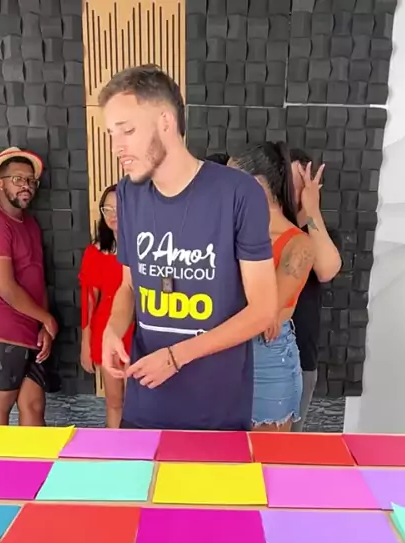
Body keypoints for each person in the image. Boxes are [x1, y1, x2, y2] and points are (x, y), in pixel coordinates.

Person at [99, 64, 280, 431]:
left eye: (128, 131)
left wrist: (176, 357)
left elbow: (263, 310)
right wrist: (112, 329)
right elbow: (129, 285)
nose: (117, 147)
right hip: (146, 405)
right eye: (112, 134)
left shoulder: (238, 193)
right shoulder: (129, 194)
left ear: (165, 122)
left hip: (216, 413)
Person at [0, 147, 58, 431]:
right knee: (1, 404)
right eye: (17, 179)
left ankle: (34, 460)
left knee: (33, 404)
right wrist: (47, 319)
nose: (26, 185)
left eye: (30, 180)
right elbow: (6, 288)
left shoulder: (29, 225)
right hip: (0, 328)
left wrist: (43, 326)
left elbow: (37, 278)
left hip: (30, 329)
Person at [229, 143, 315, 431]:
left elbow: (262, 313)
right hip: (221, 354)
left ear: (256, 184)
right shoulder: (230, 232)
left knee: (265, 456)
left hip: (266, 360)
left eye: (230, 181)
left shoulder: (298, 244)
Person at [290, 148, 342, 431]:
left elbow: (325, 270)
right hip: (257, 359)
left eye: (303, 182)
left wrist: (312, 211)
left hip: (301, 357)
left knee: (287, 447)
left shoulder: (322, 235)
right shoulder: (261, 230)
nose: (296, 189)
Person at [79, 184, 133, 428]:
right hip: (105, 331)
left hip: (139, 331)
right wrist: (86, 343)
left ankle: (140, 450)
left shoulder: (146, 248)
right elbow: (89, 300)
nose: (112, 215)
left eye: (118, 209)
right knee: (114, 401)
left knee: (138, 403)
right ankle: (115, 449)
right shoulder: (96, 251)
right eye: (107, 209)